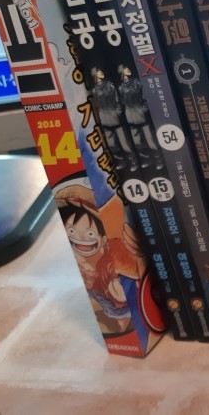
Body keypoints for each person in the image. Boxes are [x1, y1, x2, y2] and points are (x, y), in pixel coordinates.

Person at [56, 184, 145, 335]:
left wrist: (137, 257)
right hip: (99, 301)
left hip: (123, 309)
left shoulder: (113, 254)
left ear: (102, 238)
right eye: (71, 231)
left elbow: (132, 269)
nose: (80, 237)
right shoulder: (78, 259)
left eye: (90, 233)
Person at [91, 66, 138, 172]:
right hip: (104, 119)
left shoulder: (110, 85)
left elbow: (117, 99)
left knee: (124, 142)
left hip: (114, 117)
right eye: (98, 71)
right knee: (111, 144)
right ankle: (121, 161)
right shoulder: (94, 90)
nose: (101, 72)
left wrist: (117, 111)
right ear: (94, 75)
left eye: (101, 70)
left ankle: (133, 161)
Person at [118, 64, 164, 171]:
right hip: (130, 116)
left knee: (150, 139)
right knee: (137, 141)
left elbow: (145, 94)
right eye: (125, 68)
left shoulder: (137, 82)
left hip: (141, 114)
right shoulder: (121, 88)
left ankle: (159, 160)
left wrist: (145, 107)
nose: (128, 69)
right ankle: (146, 159)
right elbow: (122, 102)